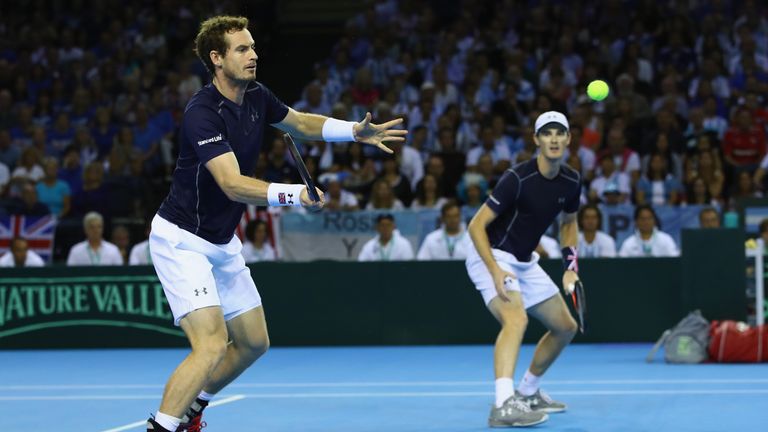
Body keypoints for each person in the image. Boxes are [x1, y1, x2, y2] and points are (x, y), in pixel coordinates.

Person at [145, 16, 404, 432]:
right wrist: (295, 194)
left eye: (253, 47)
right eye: (242, 49)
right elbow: (230, 184)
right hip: (183, 241)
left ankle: (193, 410)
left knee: (253, 343)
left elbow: (300, 123)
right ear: (216, 58)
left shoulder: (257, 96)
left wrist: (353, 131)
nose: (253, 55)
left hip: (222, 240)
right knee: (211, 344)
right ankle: (161, 427)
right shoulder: (202, 113)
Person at [465, 111, 581, 427]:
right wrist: (493, 270)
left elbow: (569, 224)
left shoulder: (571, 181)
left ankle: (528, 391)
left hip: (524, 261)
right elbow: (476, 226)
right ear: (537, 140)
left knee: (565, 326)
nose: (554, 138)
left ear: (568, 139)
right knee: (516, 319)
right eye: (547, 133)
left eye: (560, 133)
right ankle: (503, 405)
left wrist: (571, 267)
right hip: (490, 254)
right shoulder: (517, 178)